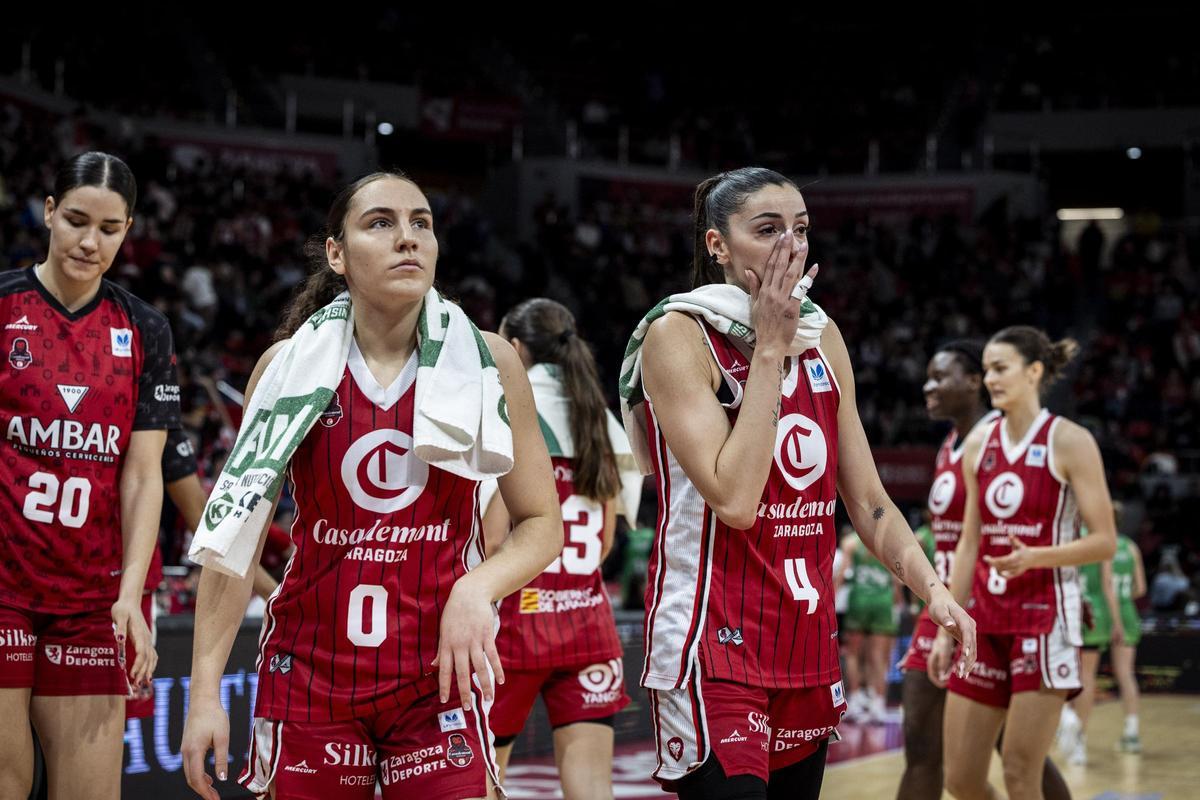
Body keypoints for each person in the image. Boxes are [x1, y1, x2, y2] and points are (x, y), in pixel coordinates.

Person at [180, 171, 563, 800]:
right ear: (336, 253)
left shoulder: (491, 361)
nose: (407, 239)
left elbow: (540, 521)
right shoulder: (284, 370)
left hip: (438, 673)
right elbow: (235, 540)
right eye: (380, 223)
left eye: (421, 223)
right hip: (310, 674)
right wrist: (204, 694)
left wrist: (478, 586)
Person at [622, 167, 975, 799]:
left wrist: (934, 590)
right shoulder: (678, 336)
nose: (792, 246)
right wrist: (768, 347)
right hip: (713, 639)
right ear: (717, 245)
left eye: (802, 229)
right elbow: (733, 499)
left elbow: (867, 500)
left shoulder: (823, 336)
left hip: (804, 640)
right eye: (767, 229)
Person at [0, 151, 178, 799]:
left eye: (109, 228)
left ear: (128, 230)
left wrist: (131, 595)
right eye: (76, 220)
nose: (89, 241)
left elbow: (143, 477)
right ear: (48, 213)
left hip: (92, 598)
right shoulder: (3, 306)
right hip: (3, 587)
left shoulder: (145, 329)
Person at [932, 325, 1117, 800]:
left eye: (1000, 369)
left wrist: (1037, 557)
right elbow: (970, 542)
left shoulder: (1070, 441)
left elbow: (1103, 541)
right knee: (961, 780)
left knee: (1019, 772)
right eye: (987, 369)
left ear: (1034, 372)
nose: (990, 379)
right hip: (986, 622)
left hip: (1045, 622)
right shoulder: (980, 443)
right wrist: (945, 625)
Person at [484, 297, 641, 800]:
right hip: (587, 623)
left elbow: (490, 540)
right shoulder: (601, 420)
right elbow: (608, 539)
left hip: (513, 625)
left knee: (483, 778)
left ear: (513, 348)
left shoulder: (509, 412)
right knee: (593, 789)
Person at [897, 342, 1068, 800]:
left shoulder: (1001, 435)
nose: (928, 387)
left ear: (975, 381)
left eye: (940, 377)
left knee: (1016, 756)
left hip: (995, 607)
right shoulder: (949, 444)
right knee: (921, 742)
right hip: (944, 603)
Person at [1059, 505, 1146, 764]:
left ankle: (1064, 718)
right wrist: (1116, 620)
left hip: (1069, 610)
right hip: (1102, 614)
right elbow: (1135, 588)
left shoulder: (1074, 537)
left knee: (1057, 671)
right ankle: (1083, 740)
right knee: (1098, 676)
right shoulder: (1125, 546)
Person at [834, 526, 901, 723]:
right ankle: (878, 704)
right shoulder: (888, 543)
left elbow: (841, 575)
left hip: (859, 599)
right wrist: (899, 604)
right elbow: (895, 580)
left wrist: (831, 599)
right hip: (882, 601)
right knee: (879, 657)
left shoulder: (850, 543)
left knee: (853, 653)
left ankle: (854, 701)